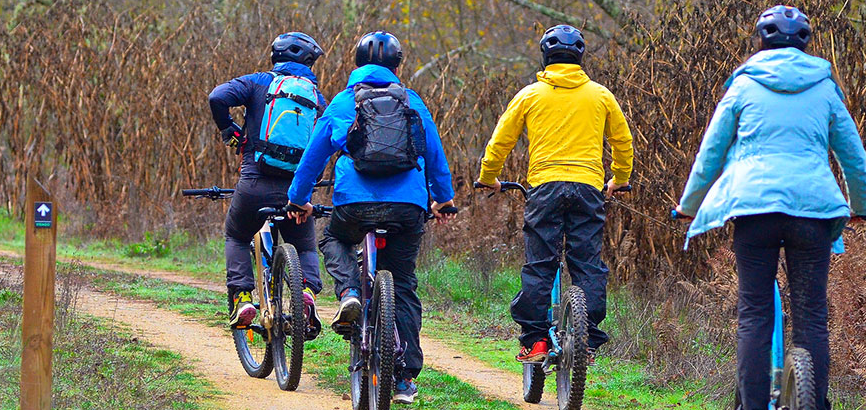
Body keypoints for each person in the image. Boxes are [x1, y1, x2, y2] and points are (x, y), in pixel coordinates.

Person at [674, 6, 866, 410]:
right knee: (812, 315)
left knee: (754, 313)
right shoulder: (825, 88)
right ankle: (814, 403)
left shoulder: (743, 86)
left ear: (761, 41)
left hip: (755, 211)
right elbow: (853, 156)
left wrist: (689, 206)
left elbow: (711, 152)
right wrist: (861, 206)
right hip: (812, 213)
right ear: (806, 43)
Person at [287, 31, 456, 405]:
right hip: (407, 207)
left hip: (354, 204)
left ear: (357, 64)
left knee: (334, 239)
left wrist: (298, 199)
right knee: (403, 284)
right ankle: (405, 377)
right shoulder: (412, 100)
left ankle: (350, 293)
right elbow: (434, 153)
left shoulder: (344, 101)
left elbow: (313, 157)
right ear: (397, 65)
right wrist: (443, 199)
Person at [476, 25, 634, 364]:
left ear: (545, 56)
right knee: (587, 263)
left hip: (545, 187)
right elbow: (622, 142)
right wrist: (619, 179)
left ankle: (535, 342)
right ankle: (587, 340)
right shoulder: (600, 95)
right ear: (580, 57)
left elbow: (501, 141)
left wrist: (489, 177)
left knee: (540, 263)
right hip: (588, 188)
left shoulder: (530, 95)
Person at [207, 32, 327, 335]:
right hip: (294, 192)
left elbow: (217, 97)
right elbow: (325, 143)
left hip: (254, 184)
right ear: (309, 63)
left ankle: (242, 298)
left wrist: (228, 129)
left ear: (275, 57)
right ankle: (307, 293)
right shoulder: (316, 98)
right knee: (304, 246)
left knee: (236, 235)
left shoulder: (258, 82)